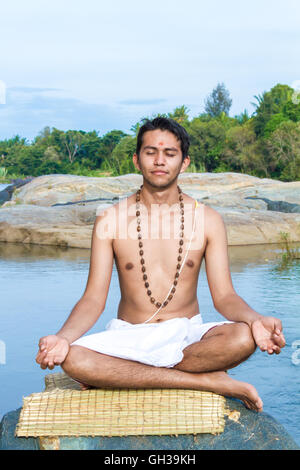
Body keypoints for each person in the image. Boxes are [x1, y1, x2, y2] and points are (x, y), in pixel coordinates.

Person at [36, 117, 286, 412]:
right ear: (136, 160)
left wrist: (255, 319)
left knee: (243, 337)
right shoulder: (111, 219)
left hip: (187, 336)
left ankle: (133, 376)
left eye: (170, 153)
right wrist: (62, 339)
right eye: (150, 151)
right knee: (74, 358)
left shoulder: (208, 220)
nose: (159, 160)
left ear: (184, 163)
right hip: (129, 336)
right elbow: (93, 299)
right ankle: (208, 381)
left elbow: (225, 296)